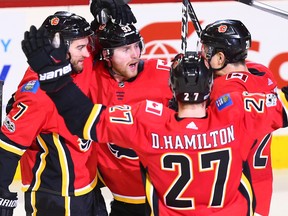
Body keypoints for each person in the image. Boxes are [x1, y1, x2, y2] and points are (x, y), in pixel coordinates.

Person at [22, 27, 288, 215]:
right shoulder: (236, 112)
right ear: (211, 87)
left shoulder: (150, 121)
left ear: (171, 88)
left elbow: (82, 118)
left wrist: (53, 76)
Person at [0, 11, 109, 216]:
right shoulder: (38, 93)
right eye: (80, 47)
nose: (87, 54)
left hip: (88, 189)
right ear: (58, 47)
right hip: (55, 200)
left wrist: (106, 12)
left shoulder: (77, 63)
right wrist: (2, 192)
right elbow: (7, 147)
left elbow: (105, 42)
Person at [88, 20, 173, 215]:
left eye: (137, 45)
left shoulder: (166, 75)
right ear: (106, 54)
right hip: (119, 199)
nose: (135, 53)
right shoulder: (91, 76)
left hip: (163, 199)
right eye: (126, 49)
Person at [199, 19, 277, 216]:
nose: (202, 54)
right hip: (261, 184)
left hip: (234, 187)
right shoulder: (263, 74)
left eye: (207, 50)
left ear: (220, 58)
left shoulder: (220, 90)